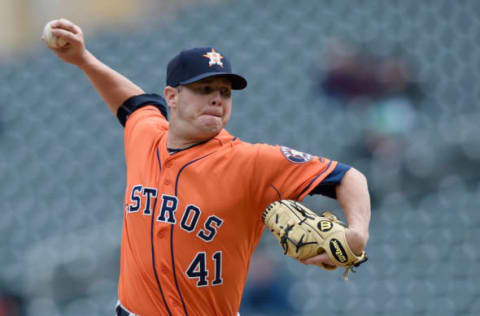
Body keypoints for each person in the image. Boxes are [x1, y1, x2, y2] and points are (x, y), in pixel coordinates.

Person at [43, 19, 371, 316]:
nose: (217, 99)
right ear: (172, 97)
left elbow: (347, 178)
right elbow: (132, 102)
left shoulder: (251, 161)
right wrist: (84, 60)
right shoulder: (144, 133)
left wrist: (358, 233)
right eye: (204, 89)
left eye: (224, 92)